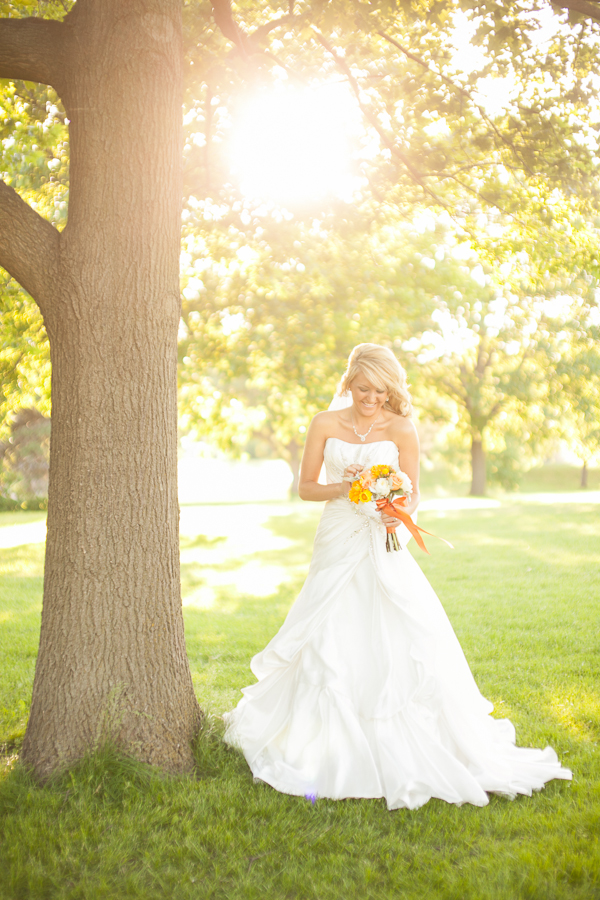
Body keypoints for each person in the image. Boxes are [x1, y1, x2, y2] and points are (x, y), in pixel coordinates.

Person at [223, 343, 572, 809]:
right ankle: (322, 739)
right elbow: (307, 487)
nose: (370, 398)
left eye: (379, 390)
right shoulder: (324, 424)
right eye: (363, 388)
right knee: (327, 618)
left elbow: (413, 494)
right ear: (348, 383)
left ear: (391, 389)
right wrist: (350, 487)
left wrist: (396, 511)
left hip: (382, 537)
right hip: (339, 531)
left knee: (400, 619)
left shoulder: (402, 428)